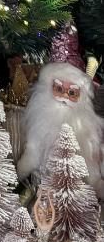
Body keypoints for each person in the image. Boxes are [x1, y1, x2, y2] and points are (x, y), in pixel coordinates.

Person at [17, 23, 104, 198]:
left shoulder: (87, 127)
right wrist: (20, 172)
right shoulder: (40, 122)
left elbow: (92, 159)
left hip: (79, 192)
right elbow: (32, 153)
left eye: (72, 92)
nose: (64, 96)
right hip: (44, 190)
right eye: (58, 89)